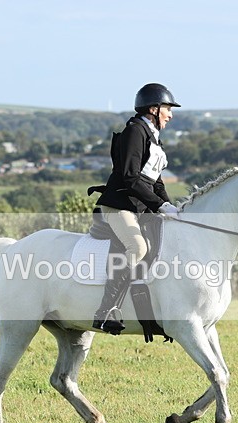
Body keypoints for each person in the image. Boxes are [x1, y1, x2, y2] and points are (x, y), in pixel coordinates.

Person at [92, 83, 181, 334]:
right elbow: (130, 178)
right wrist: (160, 205)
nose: (170, 115)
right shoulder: (135, 132)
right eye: (167, 109)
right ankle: (106, 310)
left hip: (140, 207)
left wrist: (171, 207)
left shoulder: (153, 136)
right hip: (119, 205)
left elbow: (157, 181)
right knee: (137, 247)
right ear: (153, 109)